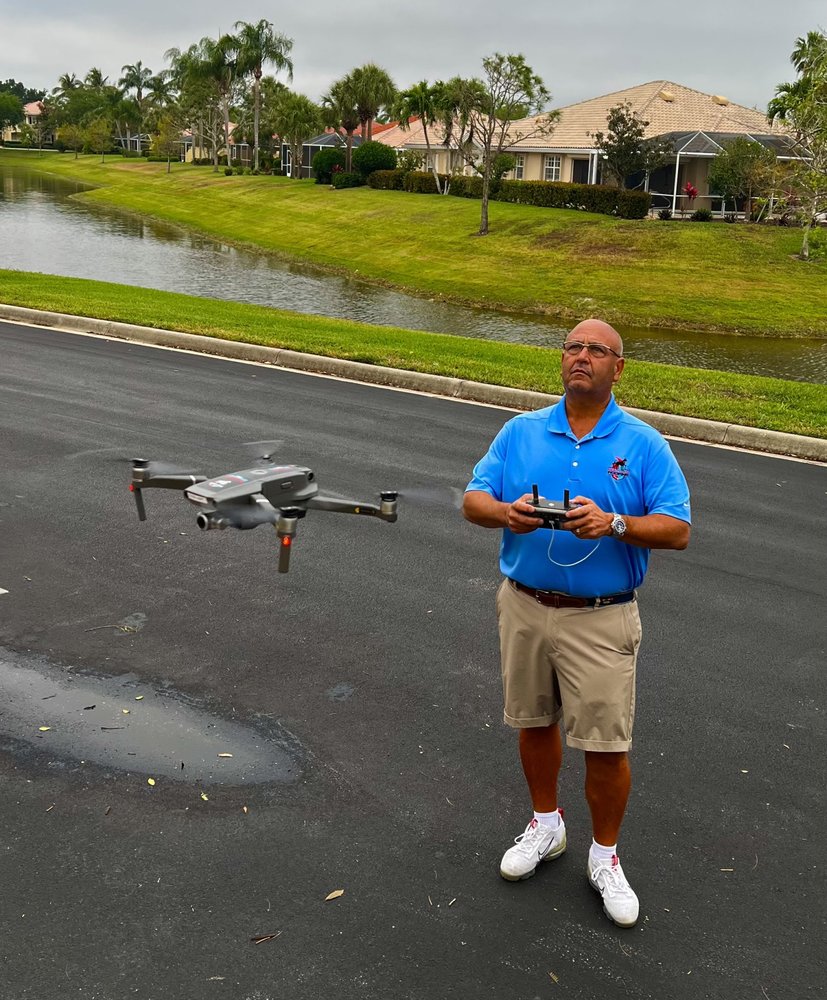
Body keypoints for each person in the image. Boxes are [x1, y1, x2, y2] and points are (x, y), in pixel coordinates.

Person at [462, 318, 691, 928]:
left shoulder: (644, 444)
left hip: (602, 616)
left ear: (619, 367)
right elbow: (472, 500)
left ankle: (605, 855)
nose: (582, 356)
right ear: (562, 359)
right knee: (533, 721)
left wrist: (614, 523)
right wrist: (506, 513)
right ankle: (546, 824)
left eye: (598, 349)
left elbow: (677, 528)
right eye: (573, 346)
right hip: (525, 604)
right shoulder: (521, 431)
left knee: (606, 745)